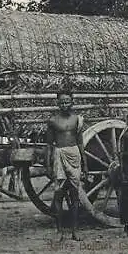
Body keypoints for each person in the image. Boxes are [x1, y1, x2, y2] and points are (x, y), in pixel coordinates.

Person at [46, 90, 88, 241]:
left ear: (72, 102)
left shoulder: (77, 119)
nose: (64, 105)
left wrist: (85, 162)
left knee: (74, 194)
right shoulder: (53, 121)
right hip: (59, 156)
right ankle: (59, 231)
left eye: (67, 102)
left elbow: (80, 142)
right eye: (61, 102)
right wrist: (48, 164)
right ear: (57, 103)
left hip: (74, 155)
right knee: (58, 194)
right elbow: (49, 145)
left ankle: (75, 230)